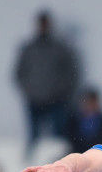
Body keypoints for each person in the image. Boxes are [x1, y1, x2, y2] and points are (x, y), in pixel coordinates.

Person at [14, 10, 80, 144]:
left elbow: (70, 72)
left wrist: (62, 91)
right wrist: (29, 90)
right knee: (34, 138)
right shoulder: (29, 48)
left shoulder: (60, 48)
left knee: (58, 139)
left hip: (57, 100)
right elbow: (19, 73)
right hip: (34, 100)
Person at [65, 88, 102, 154]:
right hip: (77, 155)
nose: (91, 105)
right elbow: (68, 139)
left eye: (93, 102)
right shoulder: (73, 120)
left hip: (98, 155)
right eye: (89, 102)